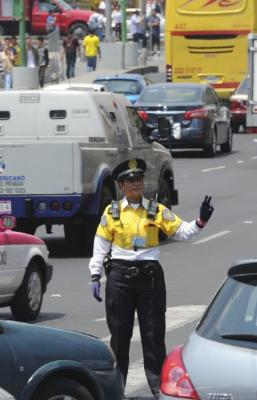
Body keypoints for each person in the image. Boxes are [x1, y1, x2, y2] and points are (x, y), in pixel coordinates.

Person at [88, 158, 214, 400]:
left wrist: (200, 221)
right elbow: (100, 245)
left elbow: (182, 231)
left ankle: (159, 391)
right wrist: (95, 274)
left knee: (154, 335)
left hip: (150, 278)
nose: (137, 184)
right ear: (121, 185)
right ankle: (117, 390)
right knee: (119, 336)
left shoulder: (155, 210)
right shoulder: (112, 212)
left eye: (139, 179)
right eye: (131, 180)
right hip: (120, 277)